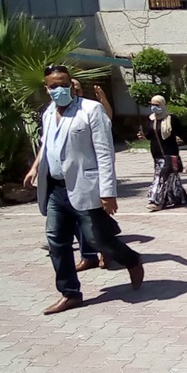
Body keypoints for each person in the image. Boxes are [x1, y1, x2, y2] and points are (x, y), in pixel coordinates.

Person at [23, 65, 143, 315]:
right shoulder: (48, 112)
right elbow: (47, 144)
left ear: (71, 85)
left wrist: (108, 191)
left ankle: (131, 259)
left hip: (85, 186)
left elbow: (105, 152)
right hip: (56, 189)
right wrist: (35, 168)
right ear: (46, 88)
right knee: (56, 241)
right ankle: (70, 293)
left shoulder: (91, 109)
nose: (59, 89)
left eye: (63, 84)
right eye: (53, 86)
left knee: (98, 239)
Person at [69, 78, 118, 271]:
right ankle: (88, 256)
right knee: (77, 222)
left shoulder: (91, 109)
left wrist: (103, 99)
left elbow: (108, 120)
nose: (74, 91)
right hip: (69, 180)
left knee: (97, 220)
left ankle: (109, 252)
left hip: (91, 177)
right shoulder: (55, 112)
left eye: (77, 88)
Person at [138, 95, 187, 211]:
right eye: (152, 105)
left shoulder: (171, 119)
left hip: (170, 154)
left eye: (157, 105)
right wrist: (143, 136)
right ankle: (179, 197)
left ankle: (156, 201)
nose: (154, 107)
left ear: (163, 105)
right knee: (171, 177)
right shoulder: (151, 119)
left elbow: (182, 134)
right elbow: (149, 135)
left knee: (161, 178)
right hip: (157, 154)